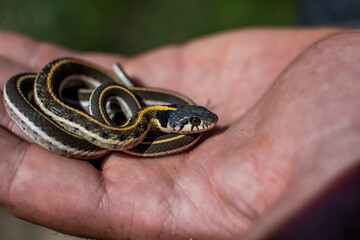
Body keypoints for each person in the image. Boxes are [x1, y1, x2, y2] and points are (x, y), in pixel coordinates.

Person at [0, 28, 358, 240]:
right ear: (175, 123)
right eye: (194, 123)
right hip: (53, 93)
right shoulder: (136, 121)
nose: (202, 126)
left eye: (197, 121)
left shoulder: (147, 117)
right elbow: (118, 130)